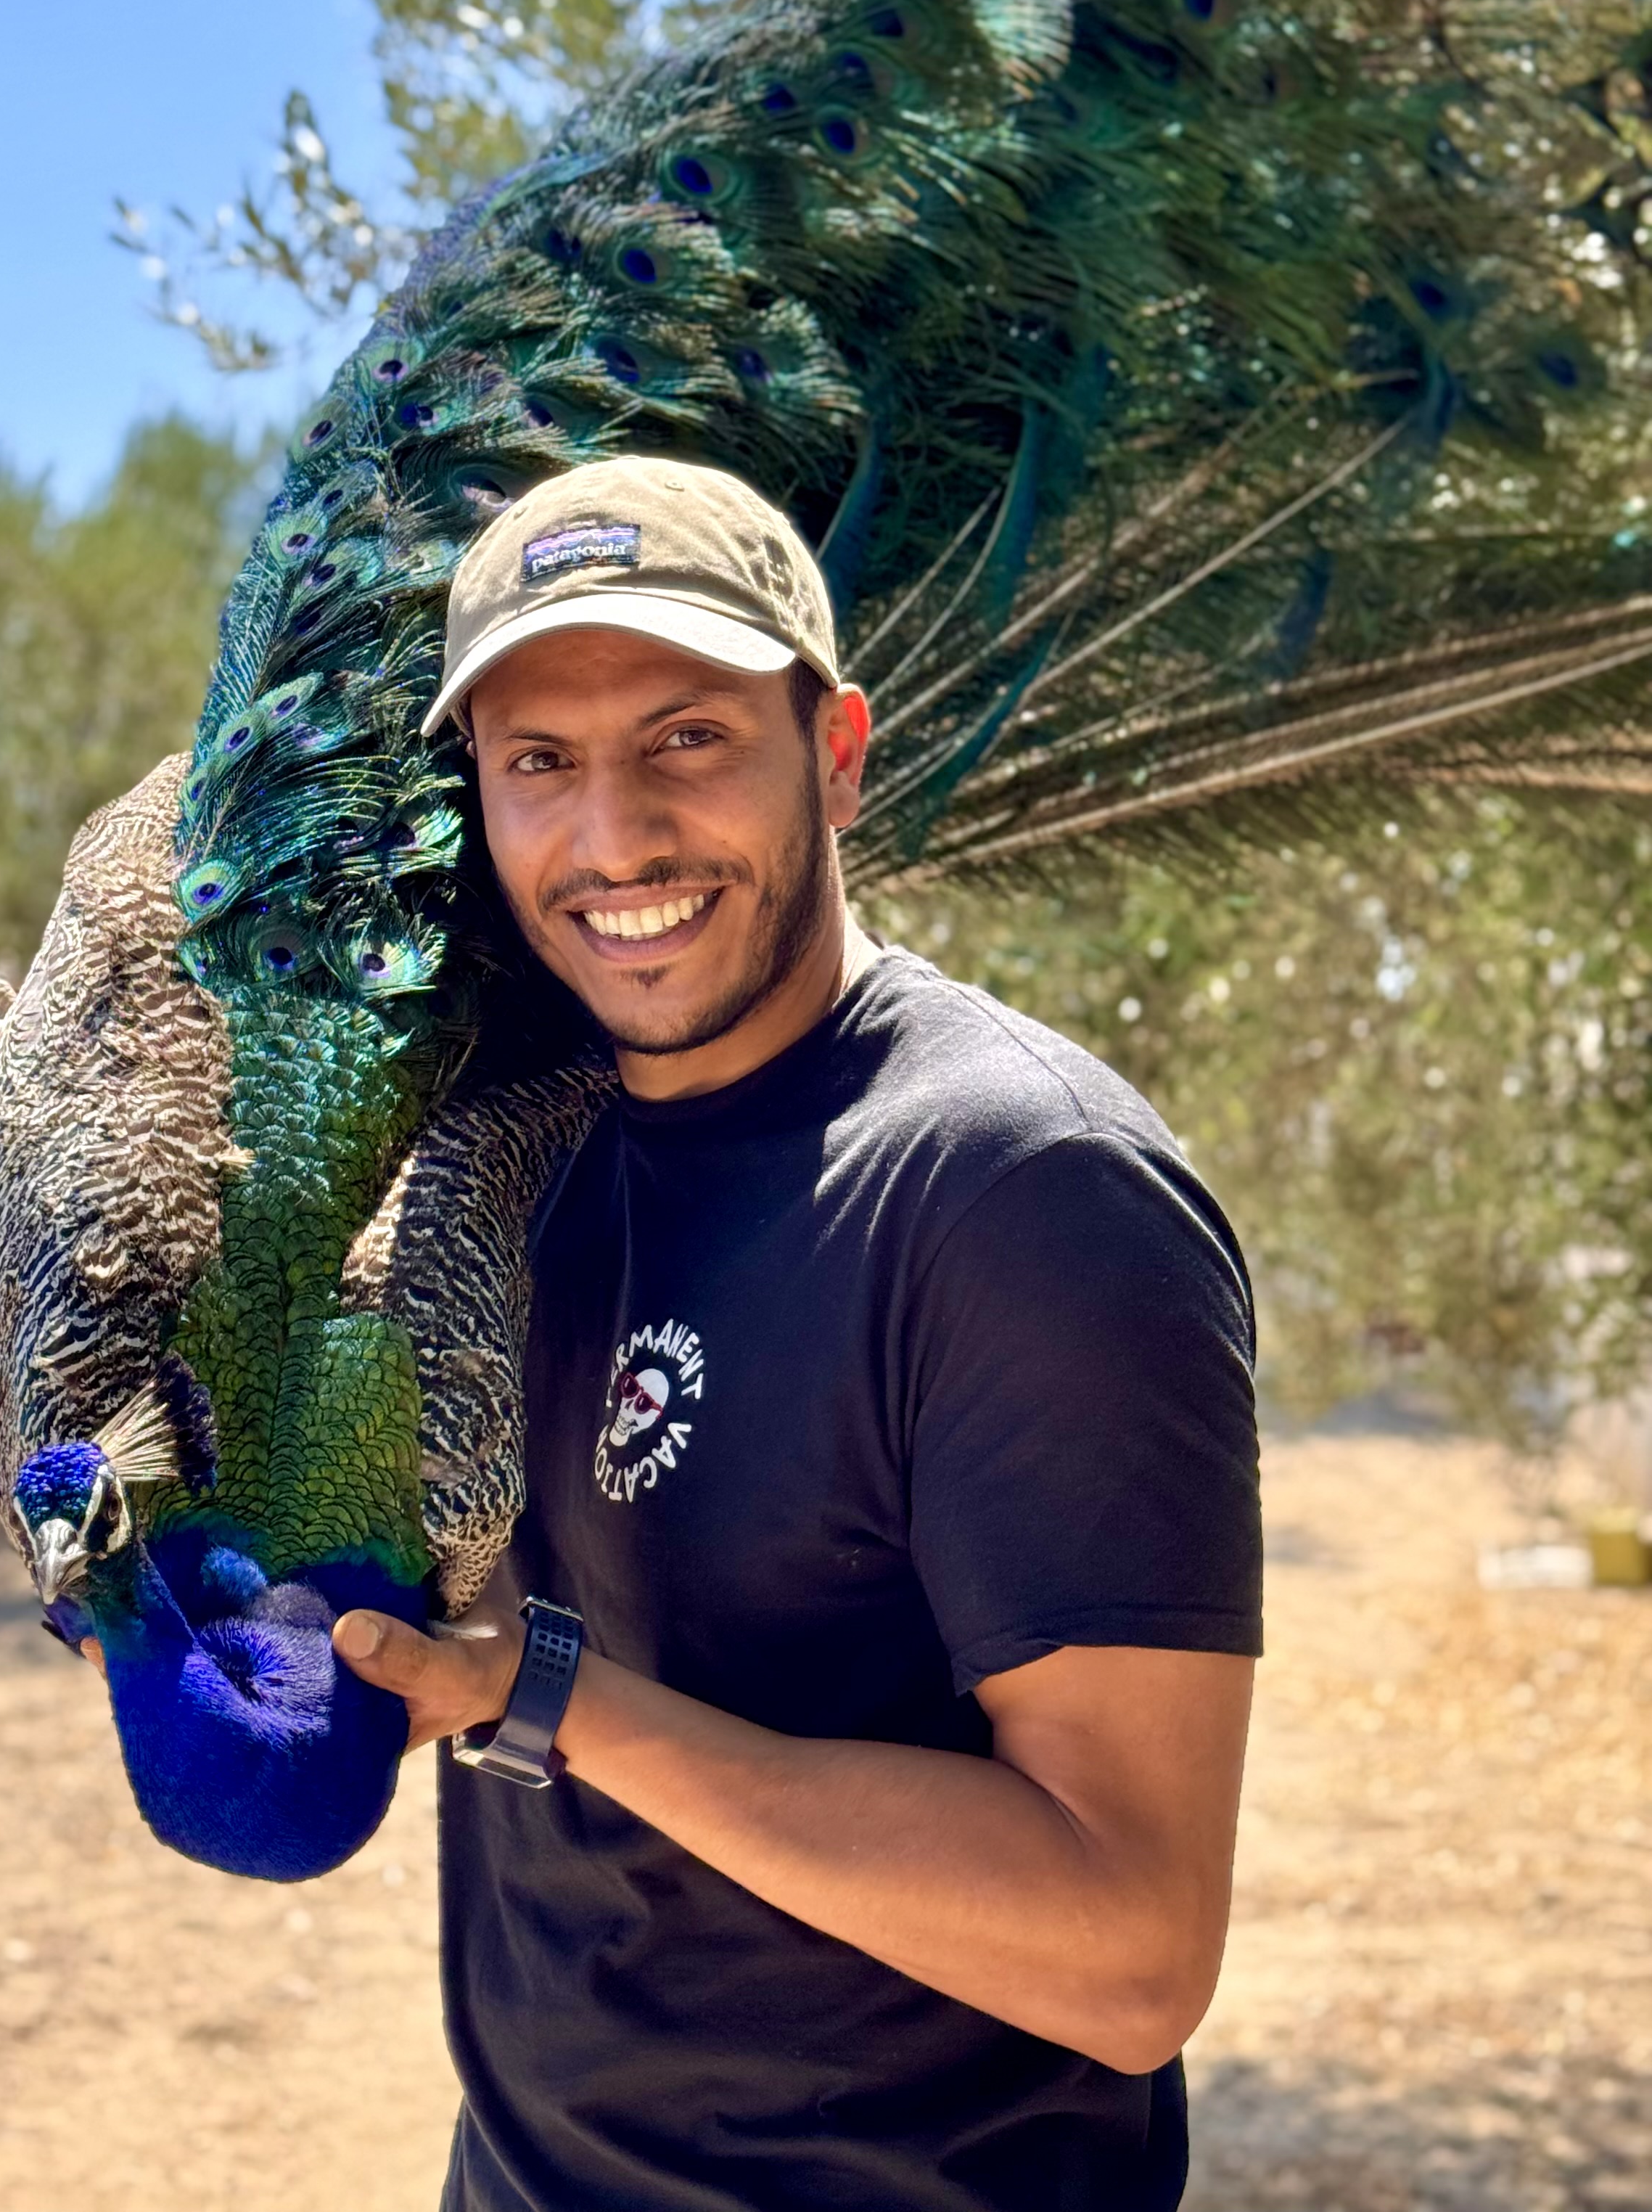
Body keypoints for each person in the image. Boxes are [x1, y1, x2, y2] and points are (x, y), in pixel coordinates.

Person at [331, 454, 1262, 2212]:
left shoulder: (1021, 1194)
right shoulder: (505, 1158)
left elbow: (1132, 1953)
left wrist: (545, 1699)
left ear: (836, 754)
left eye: (687, 738)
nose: (614, 840)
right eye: (540, 763)